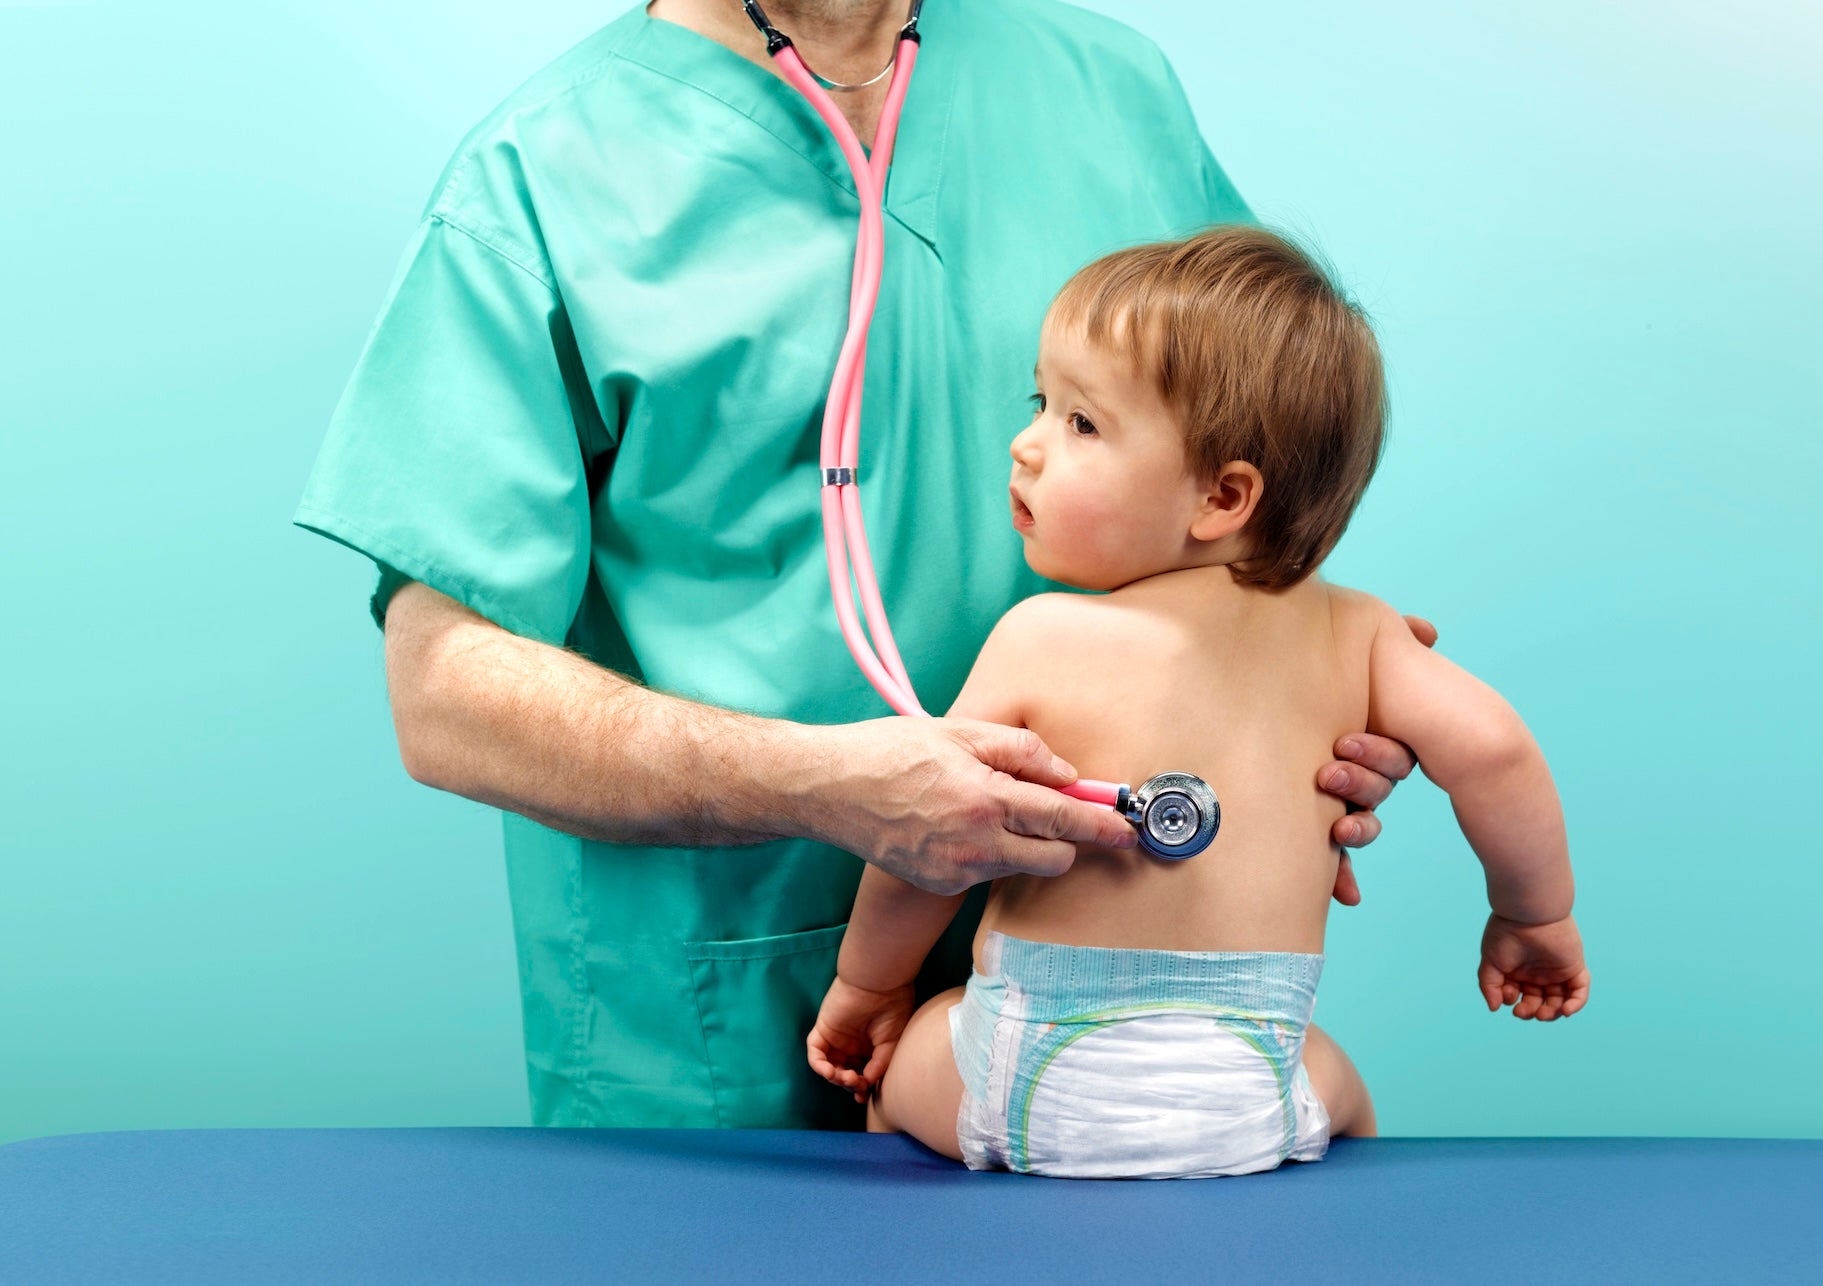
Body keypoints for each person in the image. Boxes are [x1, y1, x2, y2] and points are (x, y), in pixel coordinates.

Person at [294, 0, 1436, 1131]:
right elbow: (442, 695)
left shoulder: (1110, 88)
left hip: (1109, 993)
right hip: (715, 1035)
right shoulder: (542, 170)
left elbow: (1256, 478)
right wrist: (822, 786)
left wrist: (1302, 709)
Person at [806, 227, 1590, 1178]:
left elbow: (923, 839)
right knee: (1339, 1084)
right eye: (1040, 404)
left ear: (1222, 497)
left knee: (912, 1056)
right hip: (1251, 1082)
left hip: (1032, 1079)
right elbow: (1497, 750)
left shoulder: (1043, 635)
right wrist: (1532, 919)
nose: (1027, 443)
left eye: (1081, 423)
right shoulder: (1361, 633)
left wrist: (868, 987)